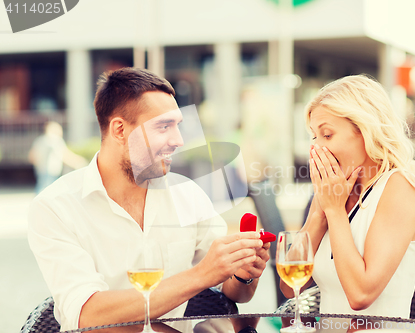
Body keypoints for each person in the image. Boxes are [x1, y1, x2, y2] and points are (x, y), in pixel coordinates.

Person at [28, 68, 270, 332]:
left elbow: (234, 294)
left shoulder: (186, 194)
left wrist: (242, 273)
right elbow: (86, 314)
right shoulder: (55, 207)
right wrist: (202, 275)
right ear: (120, 130)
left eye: (178, 126)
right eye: (164, 127)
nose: (178, 141)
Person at [280, 75, 415, 318]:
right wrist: (319, 213)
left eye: (327, 135)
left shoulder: (398, 187)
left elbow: (361, 295)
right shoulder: (334, 191)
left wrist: (334, 211)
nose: (316, 148)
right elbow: (290, 286)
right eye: (314, 136)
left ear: (365, 131)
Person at [28, 121, 87, 193]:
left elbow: (31, 157)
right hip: (51, 171)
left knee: (42, 189)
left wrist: (40, 164)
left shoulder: (39, 140)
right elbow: (65, 155)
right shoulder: (56, 140)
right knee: (46, 191)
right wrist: (78, 161)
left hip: (41, 170)